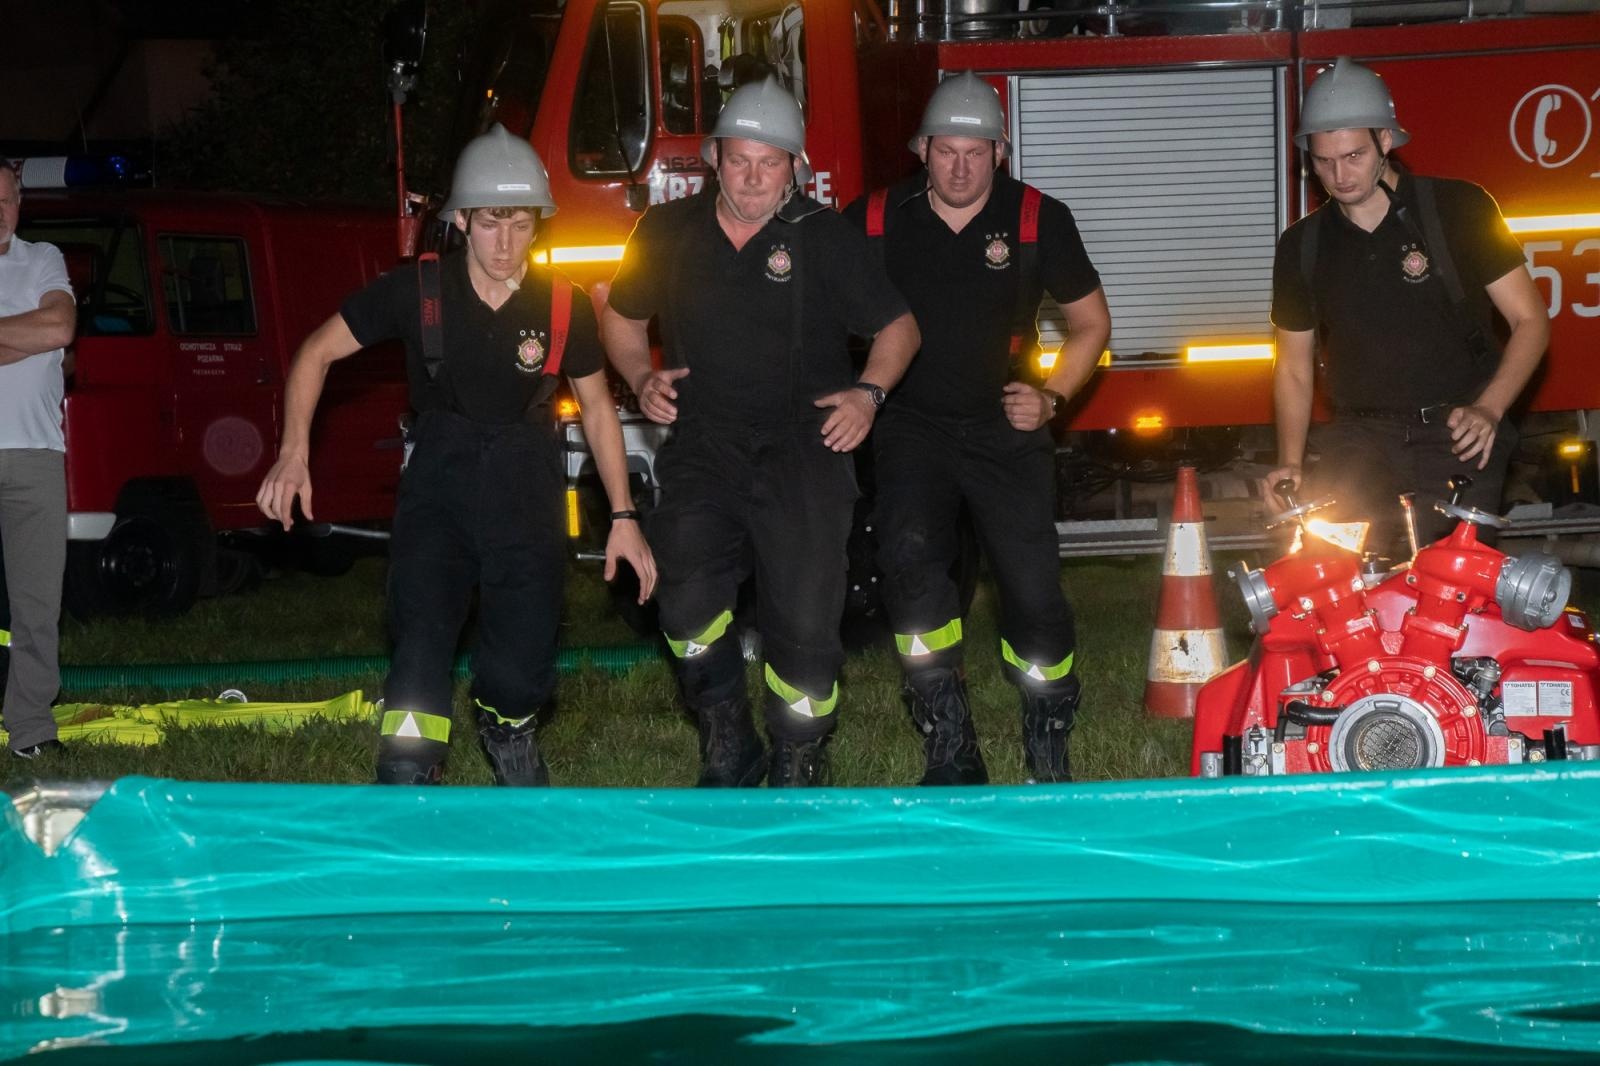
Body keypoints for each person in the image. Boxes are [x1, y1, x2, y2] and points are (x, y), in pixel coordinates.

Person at [257, 126, 654, 786]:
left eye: (521, 225)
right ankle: (409, 778)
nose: (505, 244)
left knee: (522, 663)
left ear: (538, 224)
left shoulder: (565, 306)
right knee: (420, 646)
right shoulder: (417, 290)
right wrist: (292, 453)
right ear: (463, 219)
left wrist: (622, 514)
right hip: (438, 492)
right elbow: (315, 353)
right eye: (492, 224)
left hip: (526, 494)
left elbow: (598, 410)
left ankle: (508, 726)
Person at [601, 78, 920, 788]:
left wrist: (868, 395)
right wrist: (640, 375)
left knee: (806, 631)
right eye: (739, 160)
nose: (752, 178)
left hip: (805, 451)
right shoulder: (666, 232)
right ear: (713, 157)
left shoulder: (824, 237)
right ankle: (728, 737)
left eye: (769, 163)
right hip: (704, 448)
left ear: (795, 168)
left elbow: (899, 328)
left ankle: (798, 756)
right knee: (681, 603)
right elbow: (621, 319)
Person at [843, 72, 1111, 785]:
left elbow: (1091, 325)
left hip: (1005, 430)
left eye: (976, 151)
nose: (960, 168)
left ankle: (1048, 746)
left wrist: (1050, 396)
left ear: (1001, 151)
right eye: (945, 151)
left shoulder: (1037, 219)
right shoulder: (872, 219)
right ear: (921, 149)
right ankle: (950, 747)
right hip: (911, 428)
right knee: (910, 566)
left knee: (1034, 593)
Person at [1265, 58, 1548, 548]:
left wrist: (1489, 409)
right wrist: (1290, 461)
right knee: (1337, 575)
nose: (1339, 175)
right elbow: (1292, 366)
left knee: (1450, 587)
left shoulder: (1458, 209)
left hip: (1458, 428)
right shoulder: (1301, 245)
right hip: (1360, 437)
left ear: (1385, 141)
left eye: (1353, 156)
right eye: (1323, 161)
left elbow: (1530, 320)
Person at [0, 160, 75, 760]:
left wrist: (30, 332)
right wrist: (17, 335)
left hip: (36, 456)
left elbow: (59, 328)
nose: (1, 209)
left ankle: (29, 731)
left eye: (8, 198)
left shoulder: (44, 258)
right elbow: (39, 330)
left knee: (36, 606)